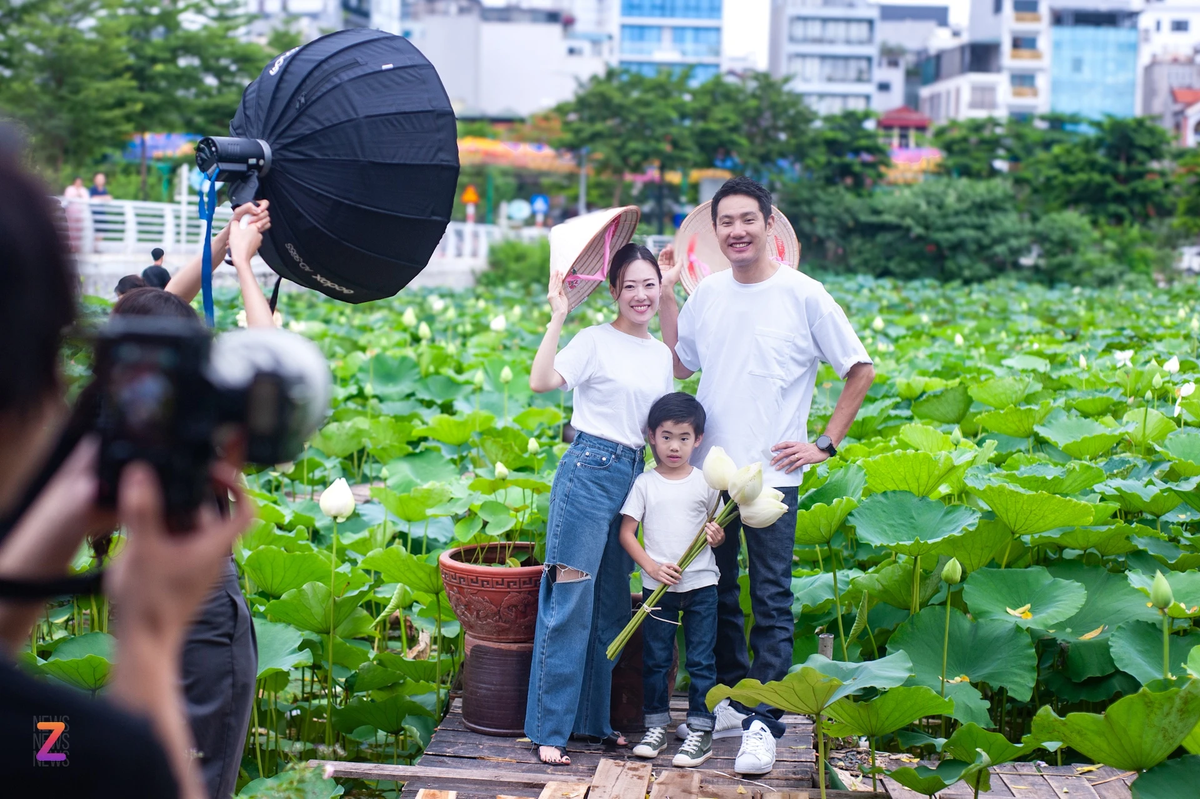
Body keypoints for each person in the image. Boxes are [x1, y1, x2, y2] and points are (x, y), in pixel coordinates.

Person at [0, 145, 253, 799]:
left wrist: (228, 243)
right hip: (194, 623)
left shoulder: (45, 738)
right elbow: (123, 771)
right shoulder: (61, 744)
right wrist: (146, 640)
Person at [658, 176, 875, 776]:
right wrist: (672, 294)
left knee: (772, 599)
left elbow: (859, 368)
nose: (736, 231)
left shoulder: (805, 294)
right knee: (716, 593)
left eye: (747, 220)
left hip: (773, 477)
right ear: (716, 230)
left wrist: (825, 444)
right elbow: (681, 363)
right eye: (726, 222)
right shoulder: (709, 294)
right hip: (711, 474)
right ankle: (733, 699)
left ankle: (766, 724)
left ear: (769, 225)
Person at [111, 202, 272, 799]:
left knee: (130, 765)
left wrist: (228, 238)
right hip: (201, 609)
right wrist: (246, 269)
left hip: (136, 597)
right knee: (199, 782)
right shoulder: (197, 418)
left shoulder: (115, 405)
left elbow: (157, 311)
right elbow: (272, 355)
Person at [525, 242, 674, 767]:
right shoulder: (592, 340)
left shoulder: (660, 355)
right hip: (588, 472)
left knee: (612, 605)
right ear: (613, 292)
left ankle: (593, 723)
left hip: (634, 474)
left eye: (649, 284)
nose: (640, 295)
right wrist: (558, 317)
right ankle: (549, 729)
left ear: (659, 289)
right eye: (629, 285)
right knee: (571, 597)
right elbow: (540, 381)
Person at [619, 392, 724, 768]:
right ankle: (656, 726)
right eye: (666, 437)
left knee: (701, 660)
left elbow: (719, 530)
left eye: (683, 437)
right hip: (657, 589)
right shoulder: (645, 483)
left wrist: (717, 537)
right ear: (651, 436)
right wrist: (650, 566)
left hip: (701, 587)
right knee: (656, 659)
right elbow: (627, 533)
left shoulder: (706, 482)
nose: (674, 446)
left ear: (698, 439)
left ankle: (700, 730)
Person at [63, 177, 88, 252]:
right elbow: (67, 198)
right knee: (71, 229)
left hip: (81, 213)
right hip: (71, 212)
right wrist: (76, 194)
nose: (79, 183)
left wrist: (79, 194)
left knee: (79, 230)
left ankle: (78, 247)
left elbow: (87, 199)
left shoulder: (83, 190)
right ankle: (71, 247)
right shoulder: (70, 188)